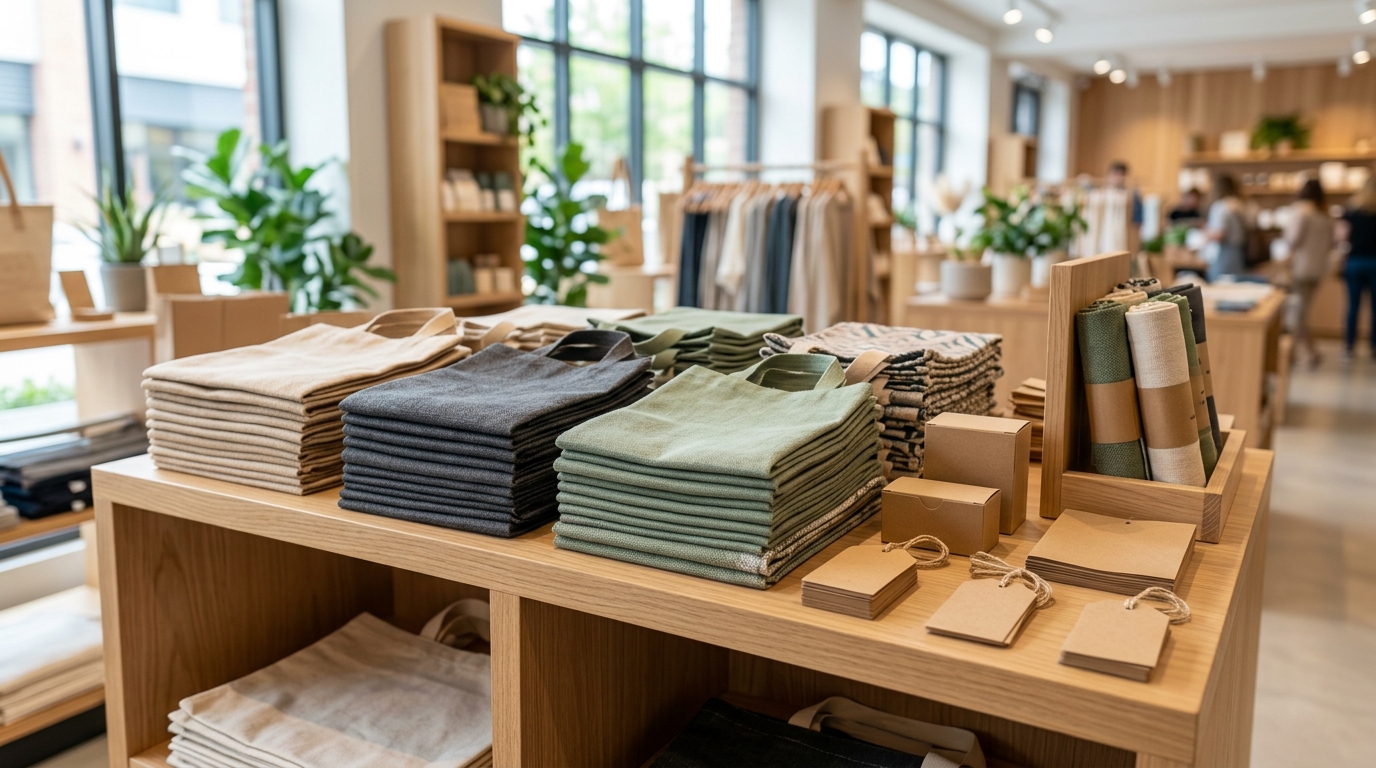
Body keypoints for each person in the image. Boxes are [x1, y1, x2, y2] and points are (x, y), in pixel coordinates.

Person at [1284, 179, 1335, 367]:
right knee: (1301, 312)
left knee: (1296, 313)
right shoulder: (1325, 214)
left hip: (1301, 269)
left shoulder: (1302, 211)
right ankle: (1306, 351)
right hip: (1319, 269)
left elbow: (1293, 239)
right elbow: (1332, 243)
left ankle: (1293, 354)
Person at [1338, 176, 1376, 359]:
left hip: (1355, 261)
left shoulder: (1352, 209)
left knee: (1353, 306)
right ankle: (1373, 347)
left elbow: (1342, 236)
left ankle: (1349, 346)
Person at [1204, 174, 1248, 281]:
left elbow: (1220, 234)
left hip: (1224, 254)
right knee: (1235, 285)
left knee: (1220, 285)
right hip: (1239, 253)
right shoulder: (1240, 205)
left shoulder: (1221, 206)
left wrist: (1206, 232)